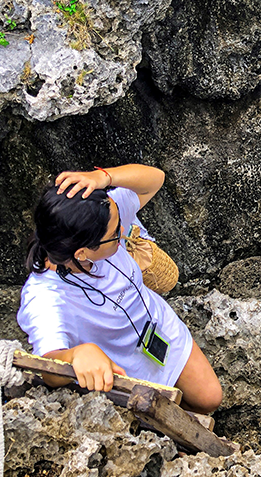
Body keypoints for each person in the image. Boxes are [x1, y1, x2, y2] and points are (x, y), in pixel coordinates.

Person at [17, 164, 222, 414]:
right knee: (162, 415)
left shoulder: (102, 218)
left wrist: (104, 177)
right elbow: (48, 364)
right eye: (115, 235)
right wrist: (76, 355)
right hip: (125, 366)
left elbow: (155, 179)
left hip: (159, 327)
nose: (123, 231)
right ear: (82, 252)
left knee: (209, 399)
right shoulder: (45, 297)